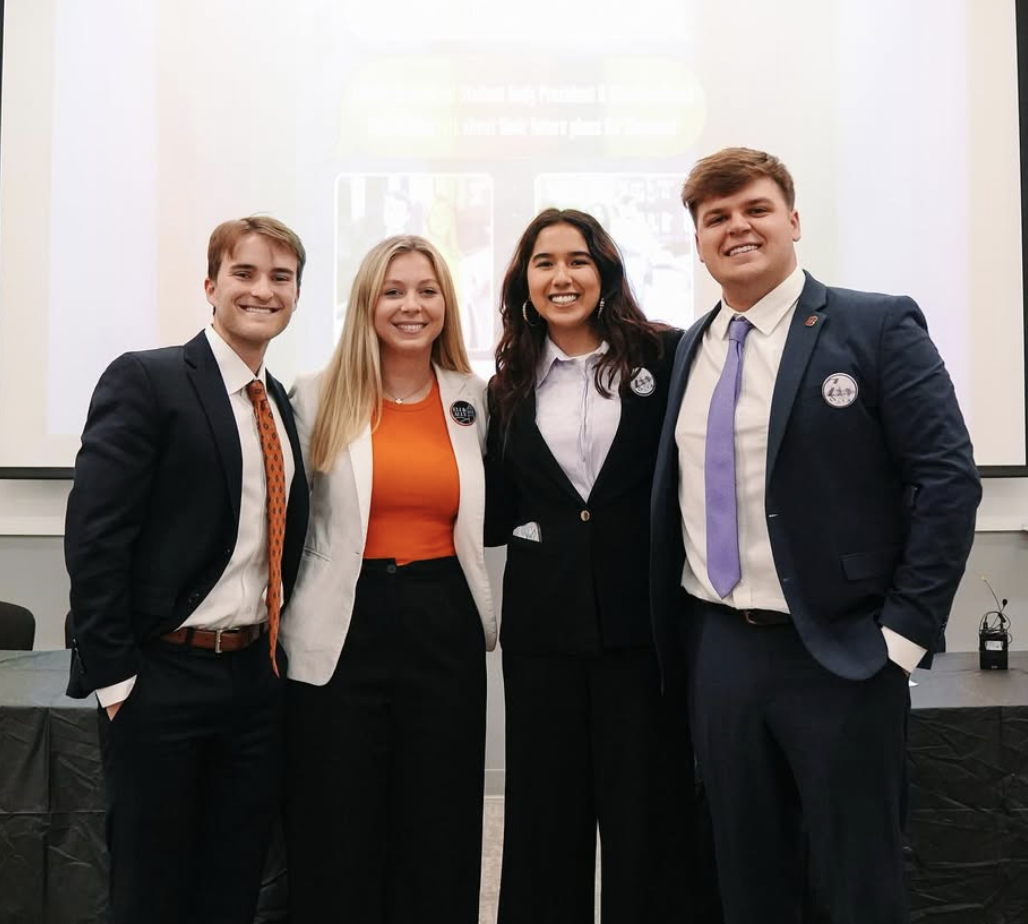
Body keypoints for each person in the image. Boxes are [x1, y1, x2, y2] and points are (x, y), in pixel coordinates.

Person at [650, 147, 981, 924]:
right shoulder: (685, 349)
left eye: (755, 209)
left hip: (842, 650)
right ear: (698, 242)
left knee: (858, 879)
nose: (738, 228)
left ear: (793, 220)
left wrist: (901, 635)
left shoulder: (875, 324)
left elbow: (947, 480)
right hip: (721, 651)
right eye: (716, 218)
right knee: (746, 874)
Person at [64, 216, 310, 924]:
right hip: (161, 678)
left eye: (281, 277)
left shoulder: (281, 404)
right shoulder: (149, 379)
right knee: (151, 889)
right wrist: (117, 683)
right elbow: (96, 538)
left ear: (296, 294)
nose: (263, 290)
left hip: (253, 681)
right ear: (211, 285)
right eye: (245, 273)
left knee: (232, 885)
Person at [486, 208, 698, 924]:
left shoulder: (665, 358)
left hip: (643, 628)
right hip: (543, 633)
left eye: (577, 260)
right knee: (547, 820)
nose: (561, 276)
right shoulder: (507, 383)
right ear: (525, 282)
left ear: (604, 272)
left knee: (650, 820)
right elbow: (501, 503)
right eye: (544, 263)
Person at [282, 235, 495, 924]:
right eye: (394, 290)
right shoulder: (314, 397)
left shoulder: (476, 398)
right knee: (338, 819)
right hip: (343, 621)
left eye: (427, 291)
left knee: (439, 818)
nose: (412, 305)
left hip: (443, 619)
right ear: (368, 303)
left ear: (445, 305)